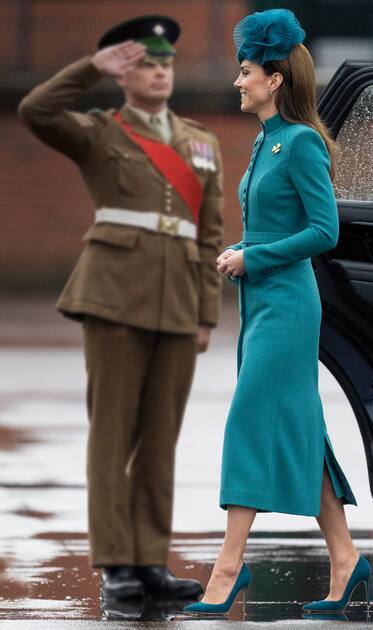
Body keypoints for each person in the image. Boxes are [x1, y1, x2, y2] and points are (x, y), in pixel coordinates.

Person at [18, 15, 224, 600]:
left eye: (166, 65)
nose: (159, 73)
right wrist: (89, 68)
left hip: (179, 302)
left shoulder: (202, 144)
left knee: (161, 437)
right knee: (112, 435)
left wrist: (206, 312)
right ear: (125, 74)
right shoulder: (99, 132)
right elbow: (35, 110)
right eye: (146, 65)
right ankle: (115, 564)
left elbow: (209, 234)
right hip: (112, 297)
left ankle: (150, 561)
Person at [184, 8, 371, 616]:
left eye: (245, 71)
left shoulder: (304, 143)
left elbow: (325, 230)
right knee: (298, 428)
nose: (237, 82)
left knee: (249, 421)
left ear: (275, 79)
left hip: (289, 306)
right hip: (262, 303)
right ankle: (345, 558)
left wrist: (253, 256)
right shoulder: (268, 139)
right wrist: (245, 254)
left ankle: (227, 568)